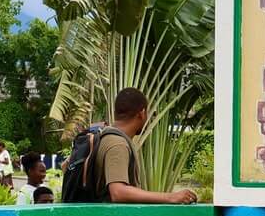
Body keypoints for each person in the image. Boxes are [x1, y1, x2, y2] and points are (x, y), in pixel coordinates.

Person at [63, 87, 198, 204]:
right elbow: (118, 192)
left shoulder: (102, 135)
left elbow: (65, 166)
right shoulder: (117, 144)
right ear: (142, 113)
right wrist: (170, 197)